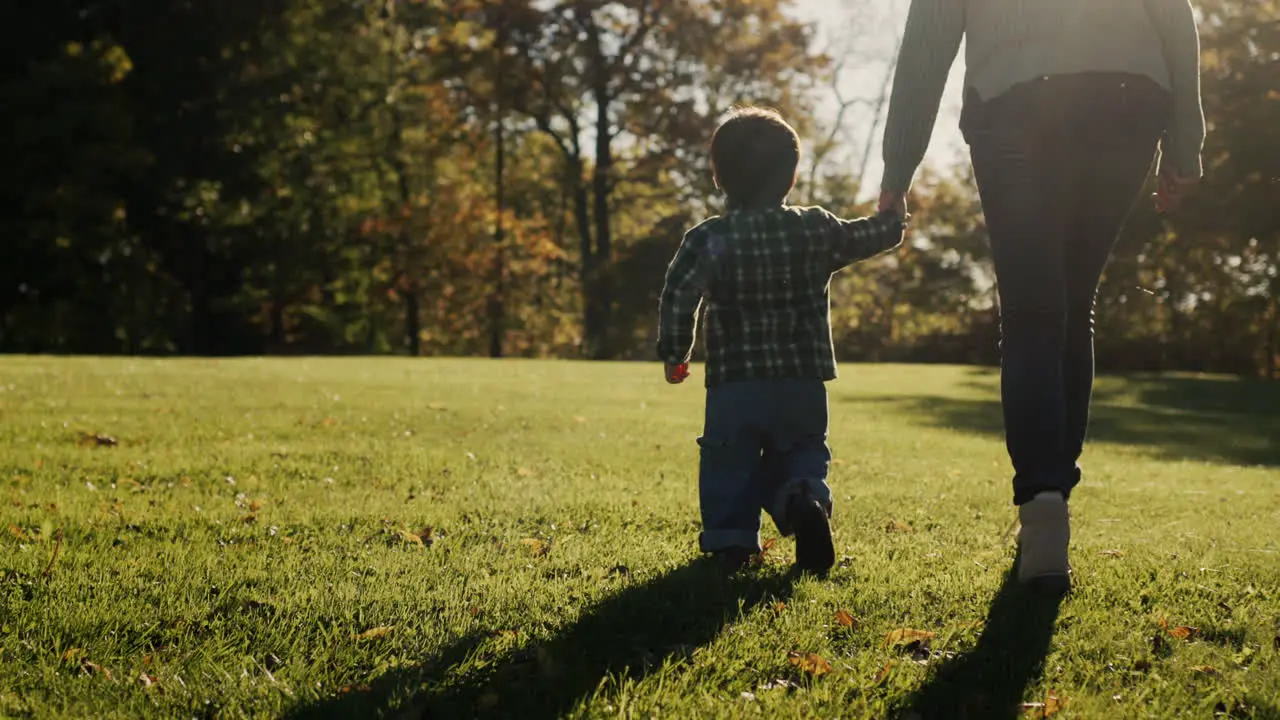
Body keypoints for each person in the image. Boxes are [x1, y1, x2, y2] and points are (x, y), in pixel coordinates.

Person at [878, 0, 1205, 592]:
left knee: (1033, 313)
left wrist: (898, 170)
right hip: (1130, 99)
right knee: (1074, 305)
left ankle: (1043, 500)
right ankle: (1054, 494)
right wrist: (1186, 143)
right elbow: (1175, 18)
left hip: (1016, 104)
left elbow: (927, 45)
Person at [657, 107, 905, 575]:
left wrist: (675, 350)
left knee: (729, 460)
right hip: (803, 382)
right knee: (803, 452)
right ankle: (802, 500)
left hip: (735, 384)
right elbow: (866, 236)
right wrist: (893, 215)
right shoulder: (814, 228)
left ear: (718, 176)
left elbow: (679, 294)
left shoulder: (708, 238)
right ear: (790, 177)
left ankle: (733, 546)